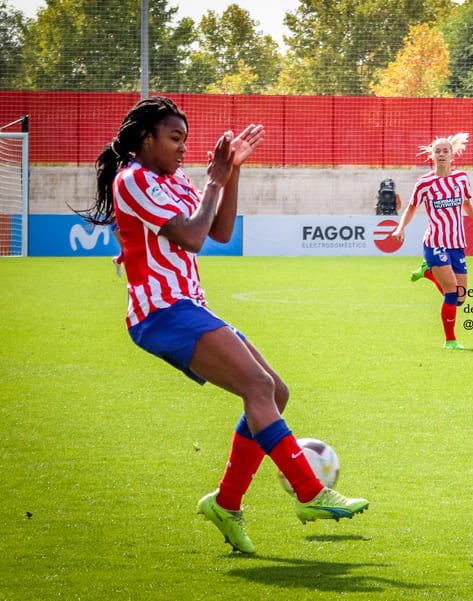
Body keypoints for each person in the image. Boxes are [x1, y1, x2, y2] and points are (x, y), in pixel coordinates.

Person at [80, 96, 368, 555]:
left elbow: (219, 231)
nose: (182, 149)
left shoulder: (173, 182)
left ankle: (226, 503)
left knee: (274, 391)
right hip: (160, 312)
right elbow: (192, 236)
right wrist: (214, 180)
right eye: (175, 138)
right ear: (144, 138)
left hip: (188, 306)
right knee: (256, 384)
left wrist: (231, 172)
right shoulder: (131, 179)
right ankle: (311, 493)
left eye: (186, 141)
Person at [391, 133, 473, 349]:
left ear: (452, 155)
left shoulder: (461, 178)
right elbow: (411, 208)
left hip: (457, 244)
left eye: (446, 151)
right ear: (432, 156)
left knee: (460, 298)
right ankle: (450, 340)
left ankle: (427, 273)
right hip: (435, 242)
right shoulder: (425, 183)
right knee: (452, 291)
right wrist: (400, 227)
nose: (442, 154)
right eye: (438, 151)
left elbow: (466, 204)